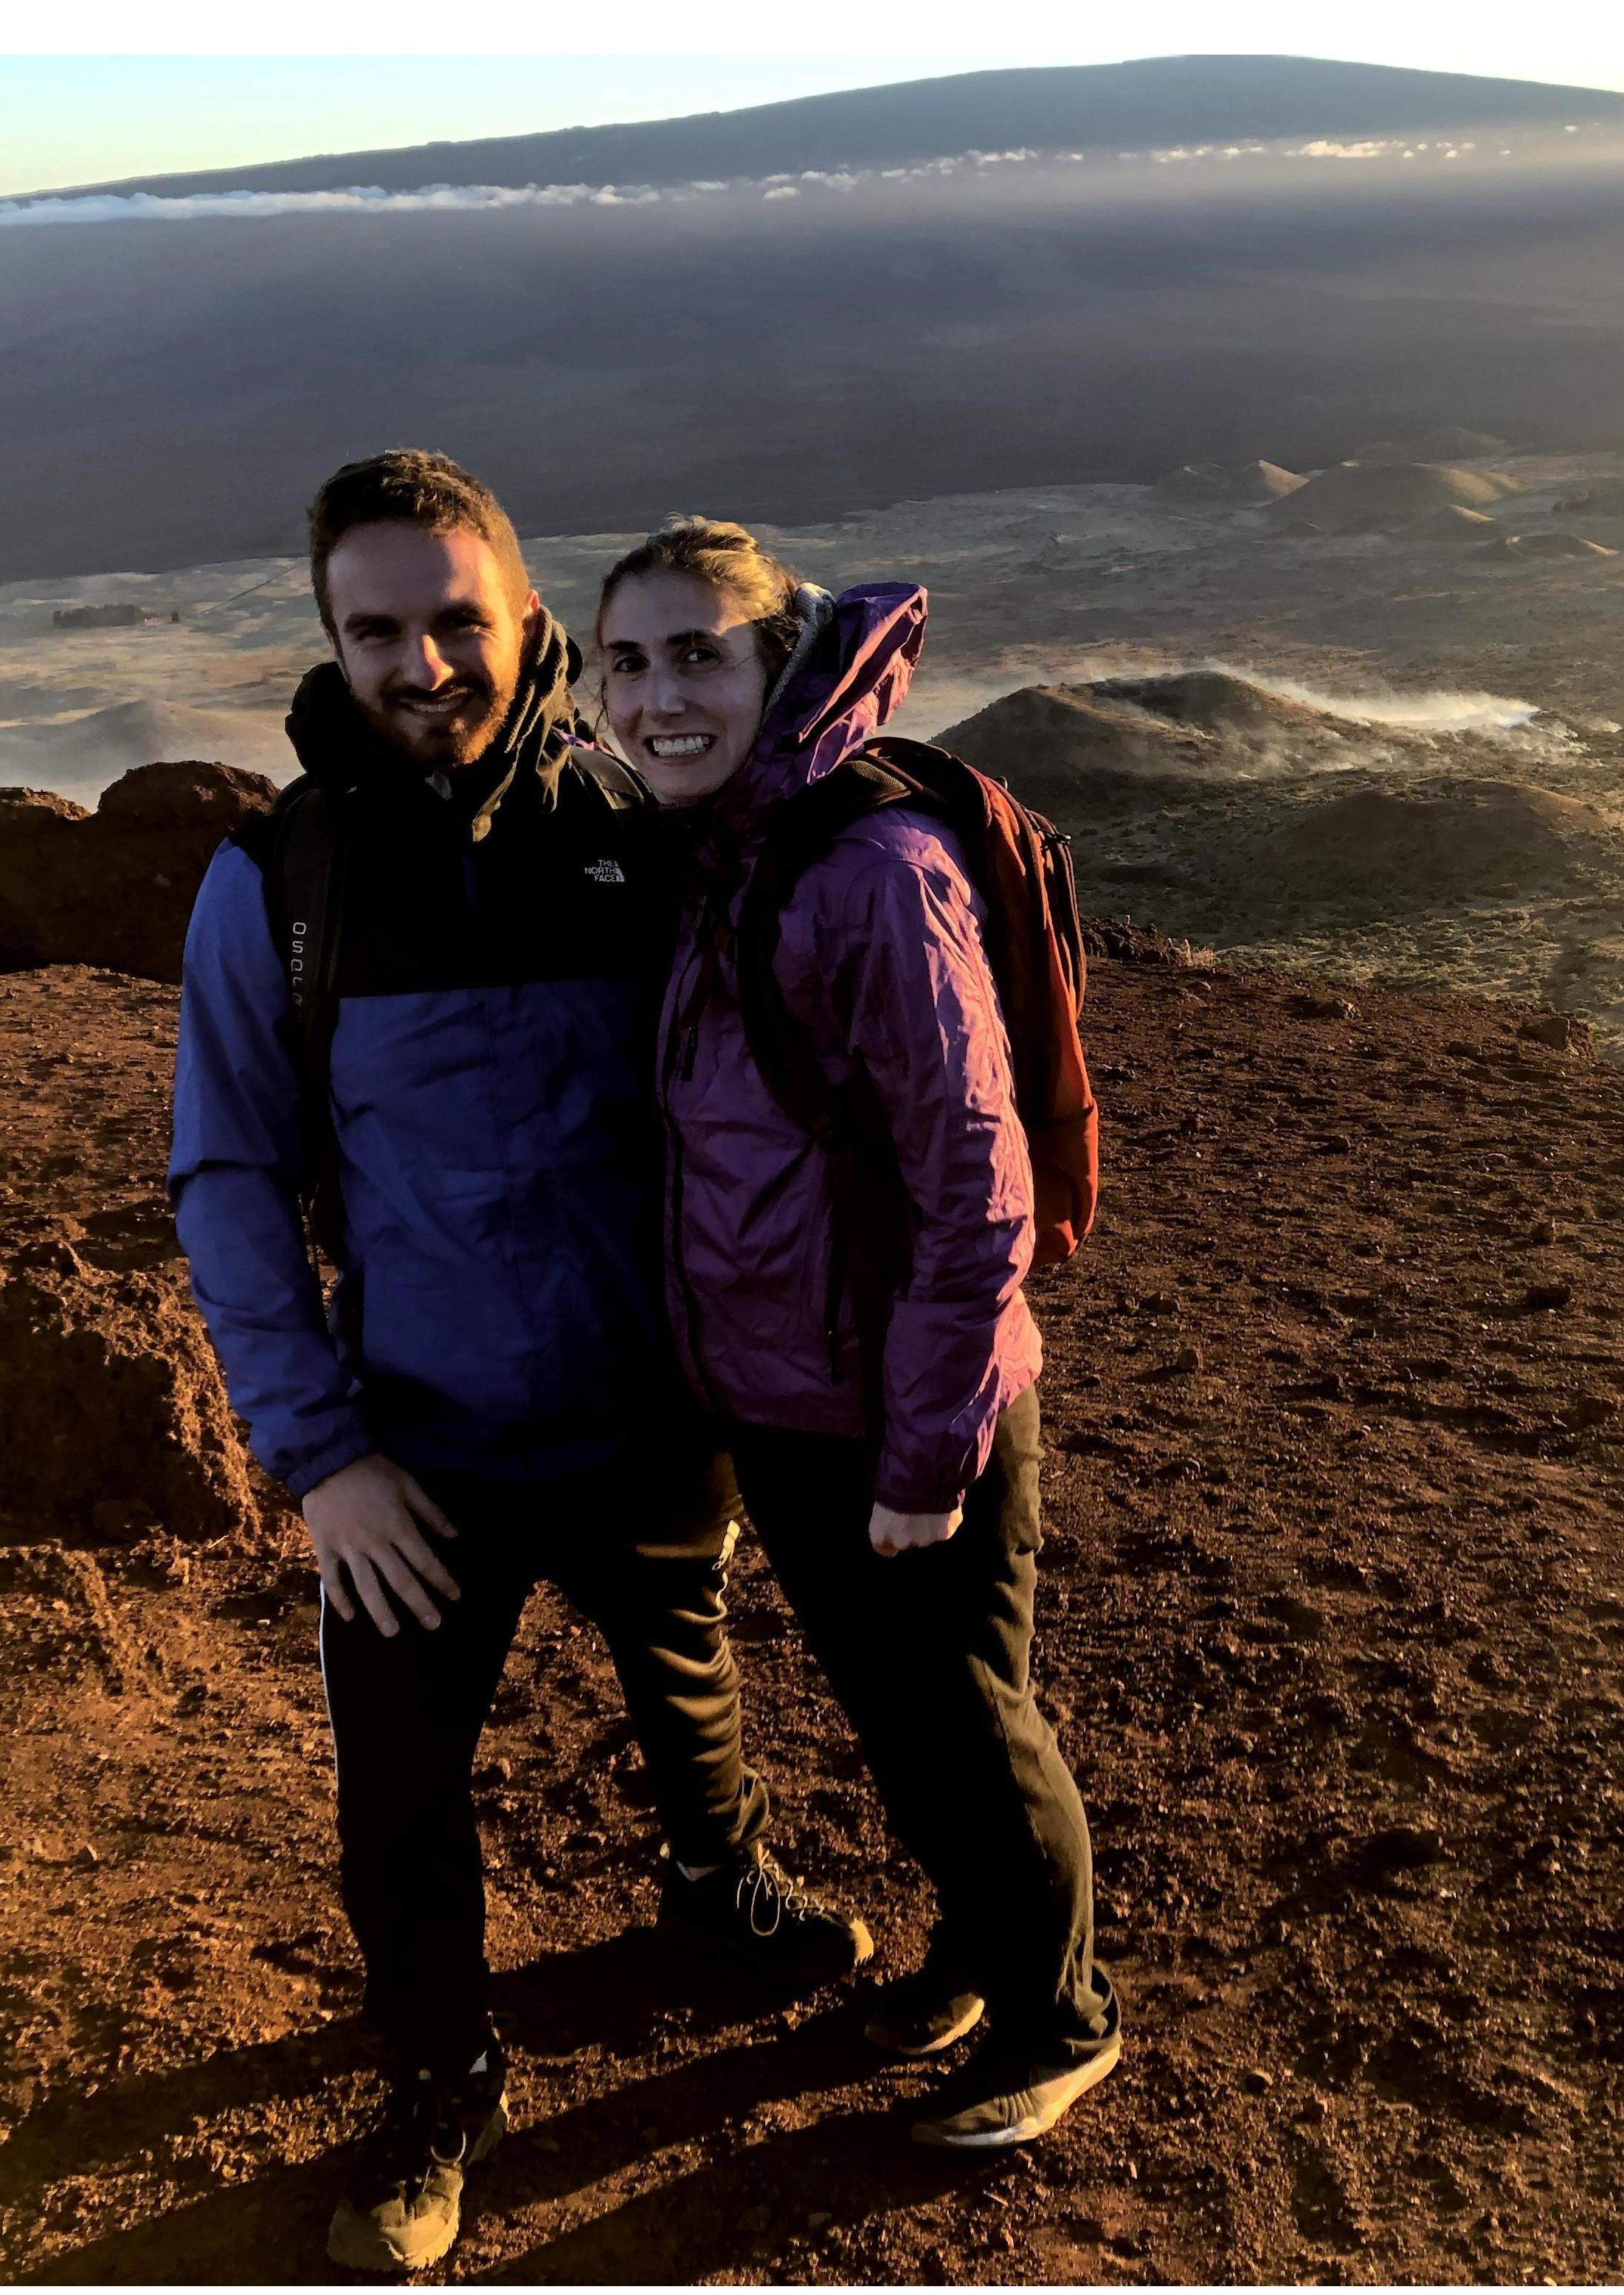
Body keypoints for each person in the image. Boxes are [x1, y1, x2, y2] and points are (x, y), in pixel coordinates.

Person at [168, 455, 869, 2274]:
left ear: (524, 614)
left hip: (648, 1404)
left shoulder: (638, 827)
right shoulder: (278, 884)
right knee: (398, 1784)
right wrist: (319, 1453)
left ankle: (715, 1886)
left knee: (685, 1659)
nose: (424, 661)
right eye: (377, 627)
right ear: (330, 640)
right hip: (417, 1441)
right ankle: (440, 2071)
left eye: (455, 619)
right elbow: (229, 1172)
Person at [594, 517, 1122, 2151]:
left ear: (776, 658)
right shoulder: (729, 845)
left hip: (903, 1403)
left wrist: (922, 1452)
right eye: (625, 660)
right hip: (790, 1390)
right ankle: (975, 1952)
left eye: (698, 654)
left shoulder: (868, 870)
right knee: (903, 1716)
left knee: (970, 1714)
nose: (658, 694)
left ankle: (1061, 2016)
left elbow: (981, 1192)